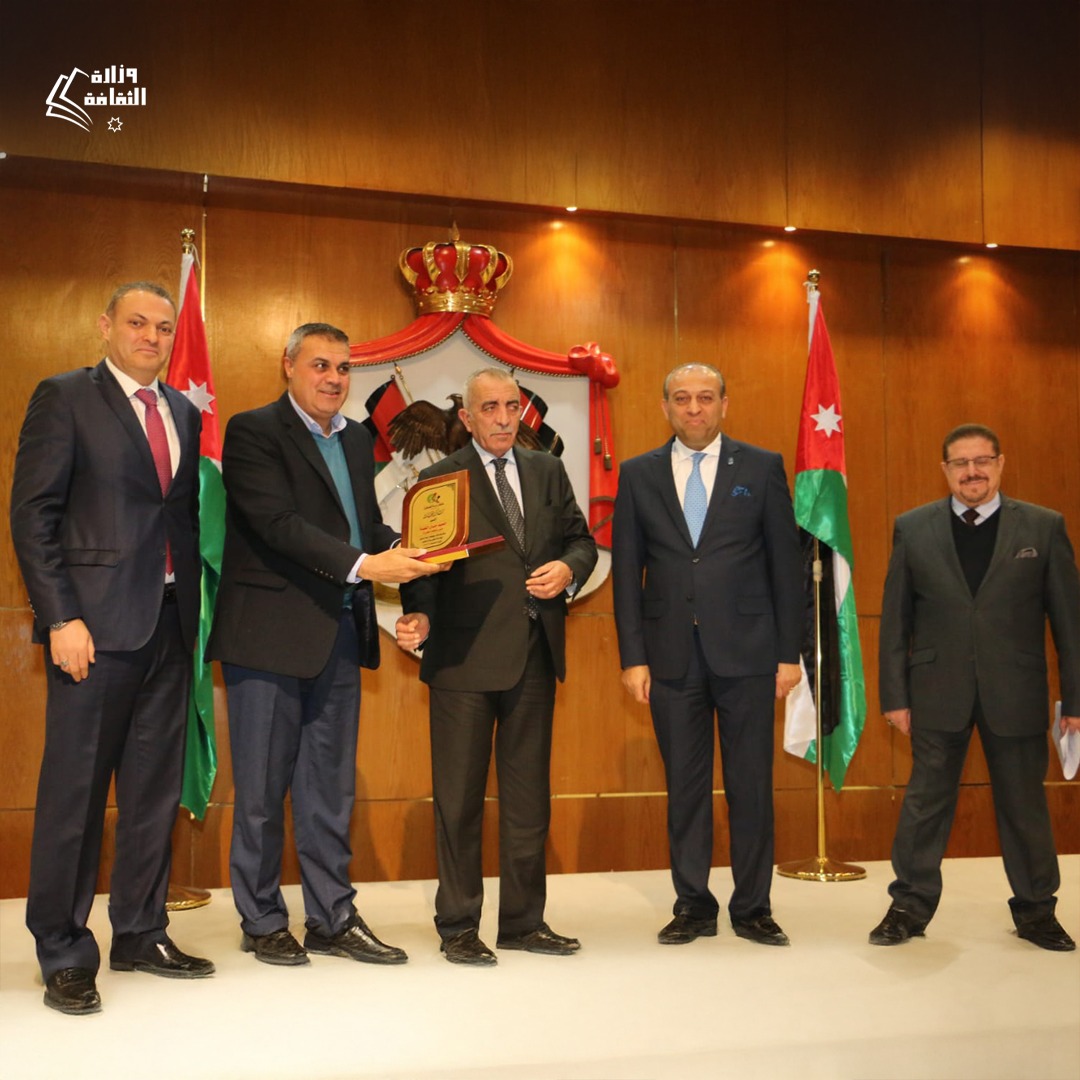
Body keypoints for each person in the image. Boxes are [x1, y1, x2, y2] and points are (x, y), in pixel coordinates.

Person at [206, 323, 444, 968]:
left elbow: (366, 527)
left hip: (338, 634)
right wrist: (367, 565)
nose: (334, 378)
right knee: (261, 792)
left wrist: (416, 560)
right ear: (288, 366)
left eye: (342, 367)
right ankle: (262, 921)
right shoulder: (254, 430)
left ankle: (332, 918)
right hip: (267, 637)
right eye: (320, 365)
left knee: (329, 792)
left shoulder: (358, 437)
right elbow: (276, 524)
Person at [10, 282, 212, 1015]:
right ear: (106, 327)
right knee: (76, 797)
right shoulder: (65, 397)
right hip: (91, 632)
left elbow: (178, 517)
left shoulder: (182, 410)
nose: (152, 336)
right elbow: (33, 514)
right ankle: (63, 950)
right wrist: (61, 617)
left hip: (168, 625)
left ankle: (140, 931)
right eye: (137, 323)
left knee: (153, 794)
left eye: (163, 327)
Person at [395, 366, 597, 965]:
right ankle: (458, 925)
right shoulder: (438, 480)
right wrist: (419, 614)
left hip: (534, 655)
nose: (505, 418)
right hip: (462, 661)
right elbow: (421, 567)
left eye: (513, 407)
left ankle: (523, 923)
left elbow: (581, 541)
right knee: (458, 801)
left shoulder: (547, 469)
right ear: (467, 416)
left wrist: (569, 569)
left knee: (529, 800)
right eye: (490, 408)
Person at [612, 363, 802, 948]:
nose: (693, 408)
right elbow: (627, 572)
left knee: (751, 787)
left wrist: (788, 653)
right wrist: (632, 657)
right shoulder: (638, 473)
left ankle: (753, 907)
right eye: (681, 398)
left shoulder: (762, 467)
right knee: (685, 789)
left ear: (724, 403)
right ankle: (693, 905)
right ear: (665, 407)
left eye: (704, 398)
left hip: (749, 654)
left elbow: (786, 565)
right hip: (669, 657)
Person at [872, 423, 1079, 951]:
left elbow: (1070, 624)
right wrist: (894, 696)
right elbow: (895, 621)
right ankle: (908, 908)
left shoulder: (1044, 527)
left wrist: (1076, 699)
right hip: (935, 691)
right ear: (945, 470)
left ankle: (1037, 912)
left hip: (1016, 691)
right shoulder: (913, 528)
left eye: (982, 460)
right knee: (925, 805)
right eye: (960, 463)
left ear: (1000, 464)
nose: (972, 472)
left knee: (1024, 806)